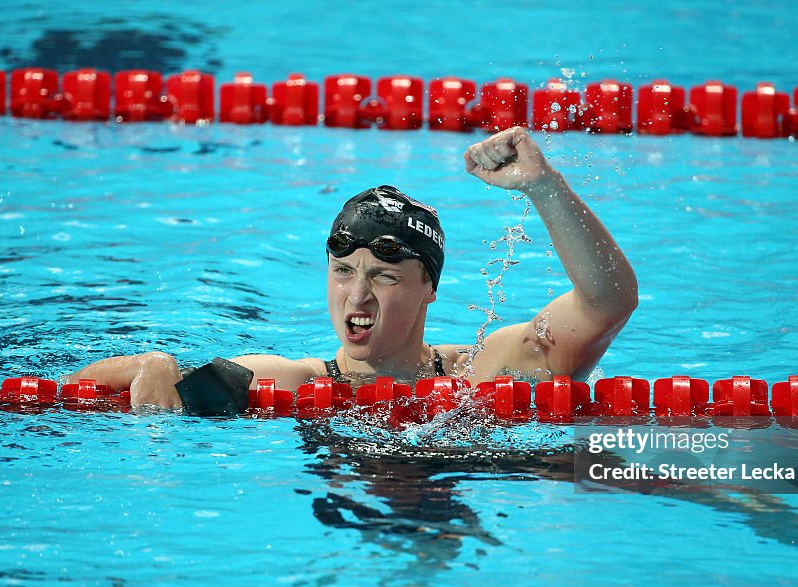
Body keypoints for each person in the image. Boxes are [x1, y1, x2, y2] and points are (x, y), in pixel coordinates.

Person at [67, 126, 638, 408]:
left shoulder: (486, 371)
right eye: (343, 270)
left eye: (385, 276)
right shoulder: (293, 382)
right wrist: (152, 366)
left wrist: (545, 187)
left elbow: (608, 302)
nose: (356, 296)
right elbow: (73, 390)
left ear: (429, 289)